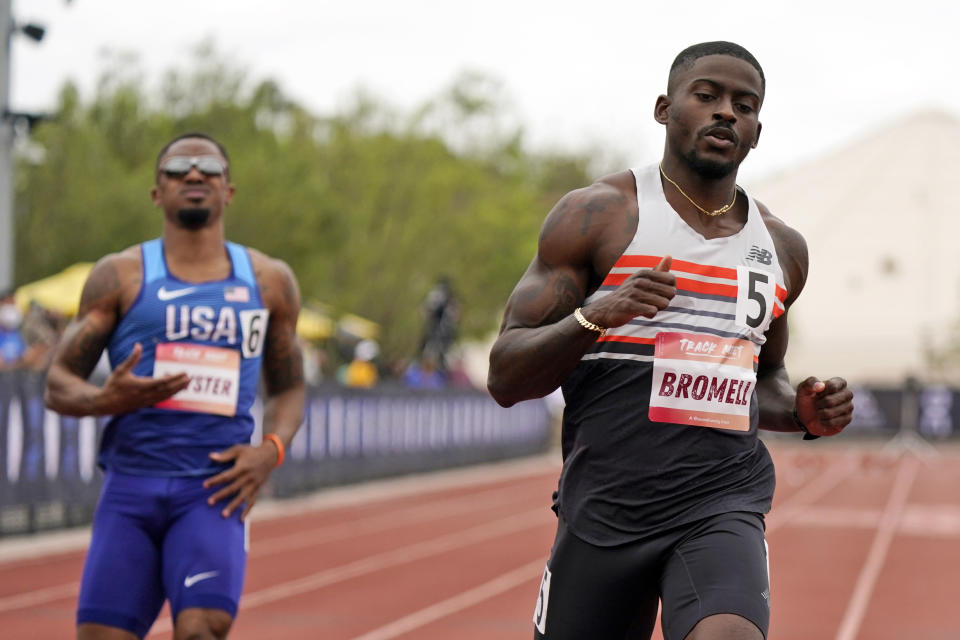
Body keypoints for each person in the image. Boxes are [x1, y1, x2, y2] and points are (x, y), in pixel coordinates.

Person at [487, 42, 854, 640]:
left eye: (744, 105)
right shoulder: (598, 217)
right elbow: (505, 376)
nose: (726, 113)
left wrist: (805, 411)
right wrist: (597, 316)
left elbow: (765, 382)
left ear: (757, 131)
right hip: (606, 508)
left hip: (721, 500)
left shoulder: (782, 249)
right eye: (706, 96)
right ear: (665, 108)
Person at [44, 132, 306, 640]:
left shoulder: (270, 282)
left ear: (228, 191)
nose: (193, 175)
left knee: (202, 630)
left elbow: (290, 388)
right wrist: (104, 400)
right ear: (156, 192)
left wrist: (271, 450)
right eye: (177, 168)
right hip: (131, 488)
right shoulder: (119, 276)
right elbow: (57, 383)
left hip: (213, 491)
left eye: (208, 169)